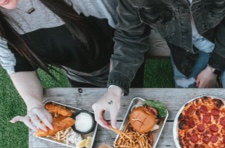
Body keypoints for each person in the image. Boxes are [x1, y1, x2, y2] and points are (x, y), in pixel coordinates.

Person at [93, 0, 225, 129]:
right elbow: (130, 38)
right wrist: (115, 89)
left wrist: (214, 68)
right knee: (190, 118)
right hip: (185, 53)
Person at [0, 0, 139, 131]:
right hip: (78, 74)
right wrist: (33, 104)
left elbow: (127, 38)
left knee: (132, 116)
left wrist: (115, 87)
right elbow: (18, 65)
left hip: (123, 63)